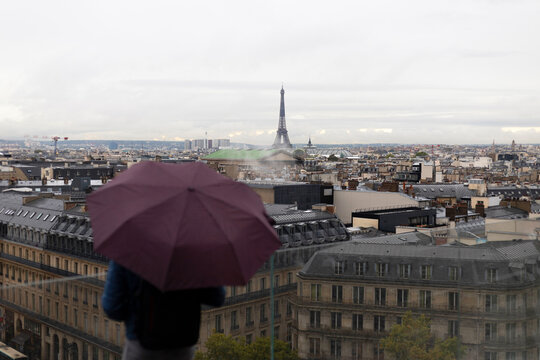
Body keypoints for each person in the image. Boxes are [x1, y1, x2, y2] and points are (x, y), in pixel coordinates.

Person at [102, 260, 225, 360]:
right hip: (182, 345)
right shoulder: (196, 252)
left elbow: (112, 308)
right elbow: (217, 298)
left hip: (141, 344)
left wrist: (136, 314)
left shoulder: (128, 249)